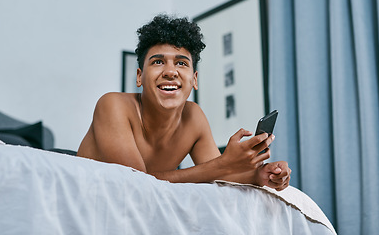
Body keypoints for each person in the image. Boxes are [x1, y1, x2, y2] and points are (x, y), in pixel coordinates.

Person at [77, 14, 291, 191]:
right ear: (139, 76)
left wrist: (260, 175)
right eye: (158, 62)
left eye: (181, 63)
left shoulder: (193, 117)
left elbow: (221, 173)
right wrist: (223, 164)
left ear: (194, 79)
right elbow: (135, 184)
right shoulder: (112, 105)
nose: (170, 72)